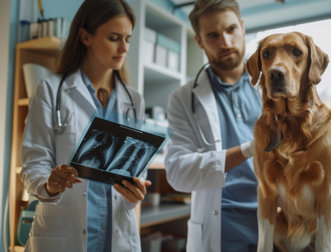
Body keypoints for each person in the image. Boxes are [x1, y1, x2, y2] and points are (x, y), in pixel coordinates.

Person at [20, 0, 151, 251]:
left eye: (128, 39)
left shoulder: (134, 100)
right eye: (114, 38)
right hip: (64, 234)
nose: (124, 47)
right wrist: (50, 184)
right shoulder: (50, 90)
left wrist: (136, 190)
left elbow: (136, 168)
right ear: (85, 37)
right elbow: (33, 162)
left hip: (116, 235)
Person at [164, 0, 262, 251]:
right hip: (221, 229)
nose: (226, 42)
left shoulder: (271, 86)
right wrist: (249, 149)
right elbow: (177, 172)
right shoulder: (184, 99)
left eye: (231, 30)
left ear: (242, 26)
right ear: (199, 41)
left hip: (276, 220)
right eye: (213, 35)